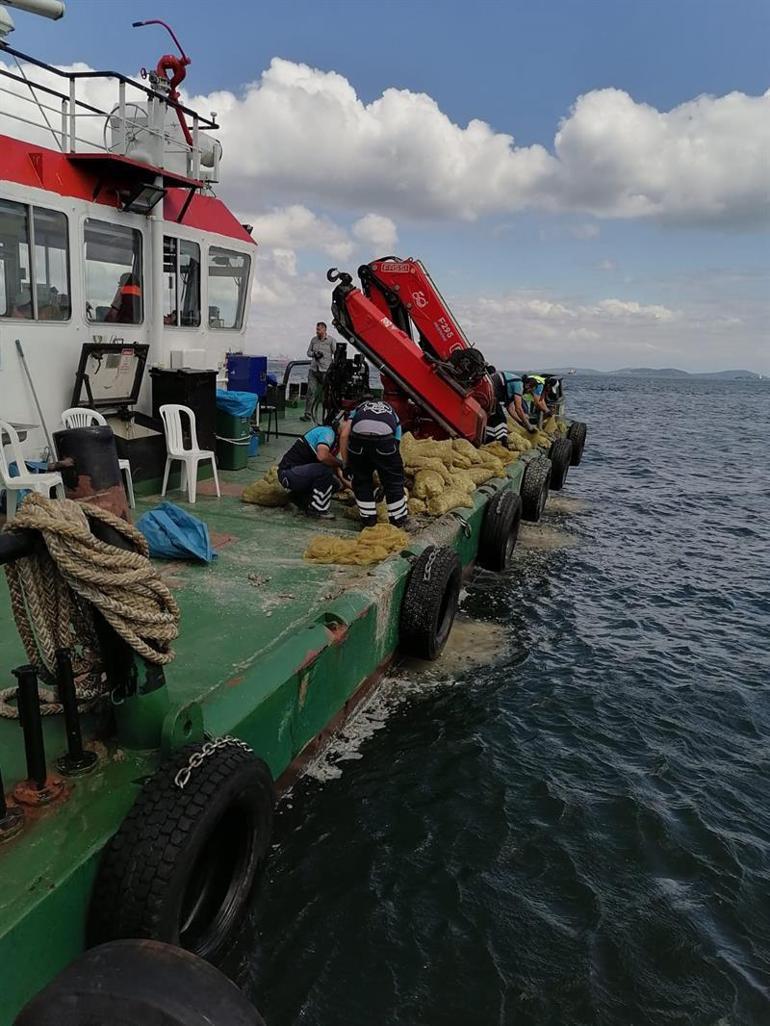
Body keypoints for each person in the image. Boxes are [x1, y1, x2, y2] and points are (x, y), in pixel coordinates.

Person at [338, 398, 409, 528]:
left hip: (358, 441)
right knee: (394, 482)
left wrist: (346, 465)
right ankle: (399, 521)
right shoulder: (392, 412)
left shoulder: (358, 410)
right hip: (384, 440)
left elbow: (344, 435)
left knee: (361, 480)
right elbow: (396, 443)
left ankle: (368, 521)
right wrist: (390, 469)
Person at [277, 421, 345, 520]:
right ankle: (317, 510)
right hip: (288, 473)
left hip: (296, 474)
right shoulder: (328, 433)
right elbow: (322, 456)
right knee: (324, 471)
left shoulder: (335, 441)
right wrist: (342, 463)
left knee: (334, 484)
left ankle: (298, 497)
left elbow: (337, 470)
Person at [485, 370, 537, 443]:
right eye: (531, 390)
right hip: (493, 387)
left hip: (492, 389)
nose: (529, 392)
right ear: (528, 385)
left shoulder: (514, 387)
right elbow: (518, 408)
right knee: (501, 418)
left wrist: (520, 422)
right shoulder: (519, 385)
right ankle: (502, 441)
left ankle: (489, 438)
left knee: (493, 417)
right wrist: (528, 426)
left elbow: (511, 409)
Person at [303, 321, 336, 422]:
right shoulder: (314, 340)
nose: (317, 331)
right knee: (311, 391)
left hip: (325, 370)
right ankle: (307, 414)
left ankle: (329, 415)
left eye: (319, 329)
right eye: (316, 329)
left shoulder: (331, 341)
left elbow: (336, 353)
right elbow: (308, 352)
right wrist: (314, 354)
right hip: (314, 370)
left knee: (327, 394)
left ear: (324, 329)